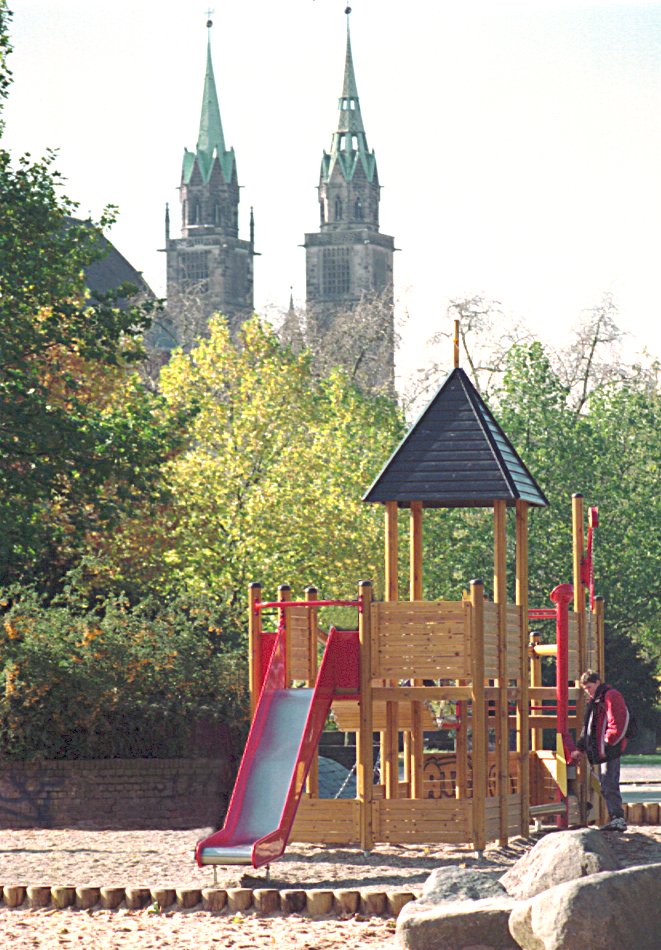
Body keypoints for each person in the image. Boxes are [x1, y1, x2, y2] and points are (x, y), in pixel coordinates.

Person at [571, 669, 630, 832]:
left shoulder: (610, 696)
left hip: (610, 748)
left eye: (589, 687)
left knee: (609, 782)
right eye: (585, 689)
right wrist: (581, 748)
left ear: (597, 682)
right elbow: (588, 727)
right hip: (601, 748)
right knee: (606, 783)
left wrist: (608, 741)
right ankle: (616, 818)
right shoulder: (595, 700)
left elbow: (618, 720)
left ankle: (618, 819)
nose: (587, 691)